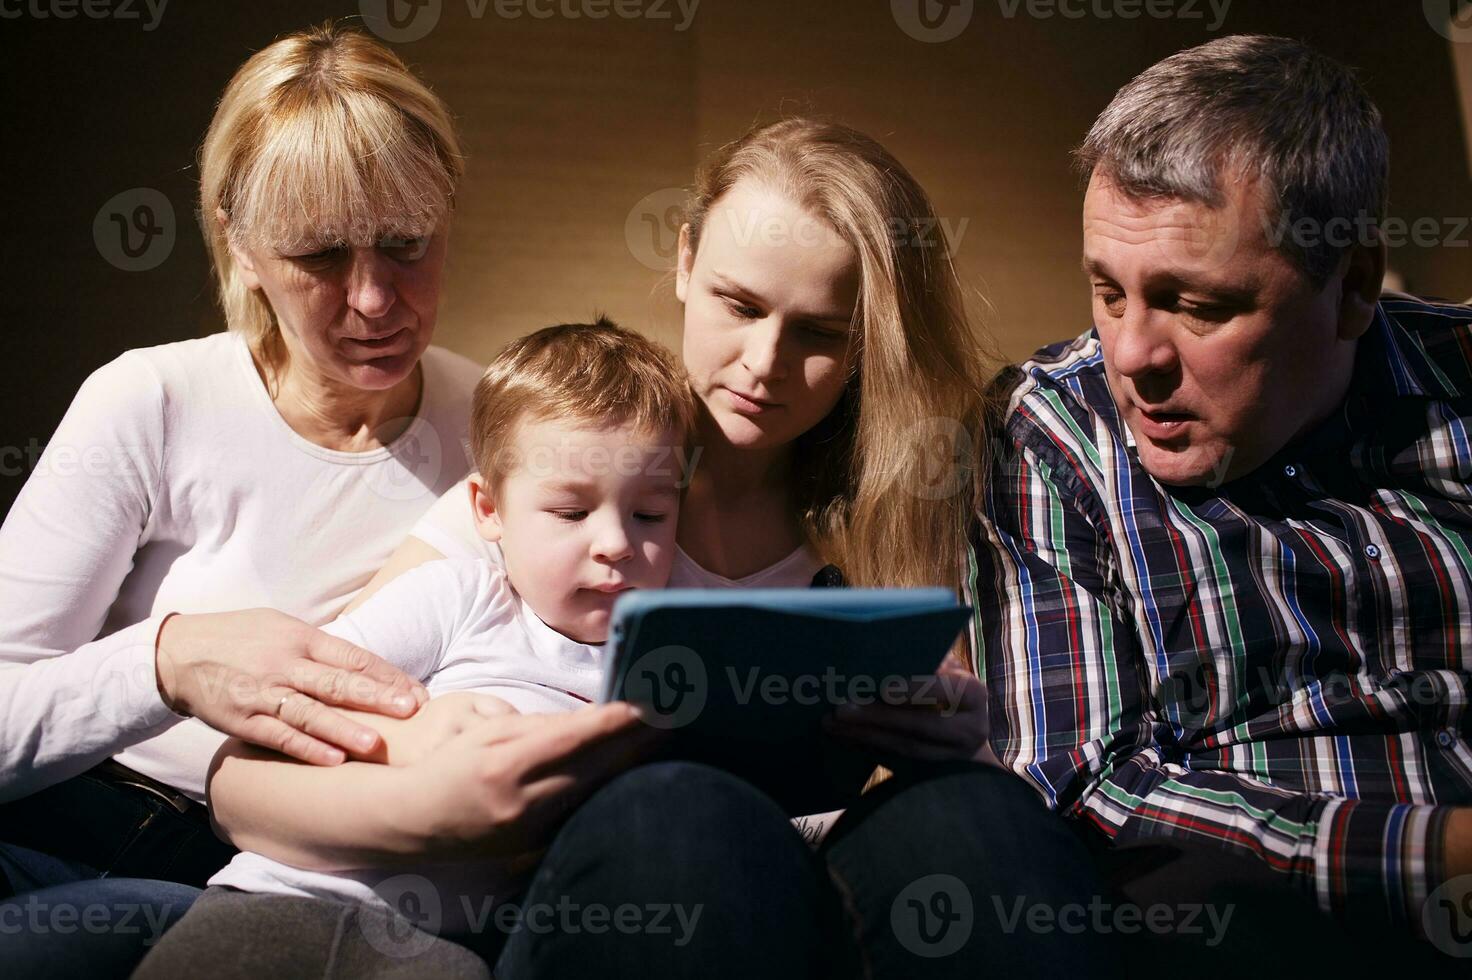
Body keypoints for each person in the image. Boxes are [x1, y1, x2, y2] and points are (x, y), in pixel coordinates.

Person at [202, 118, 1121, 978]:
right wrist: (432, 801)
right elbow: (247, 784)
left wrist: (952, 742)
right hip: (610, 885)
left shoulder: (885, 521)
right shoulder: (565, 474)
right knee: (683, 812)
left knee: (981, 816)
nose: (763, 363)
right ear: (684, 261)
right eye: (737, 303)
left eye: (817, 333)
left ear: (866, 342)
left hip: (796, 883)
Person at [0, 22, 649, 977]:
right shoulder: (154, 400)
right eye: (319, 256)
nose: (376, 299)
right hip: (91, 831)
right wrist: (167, 660)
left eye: (406, 245)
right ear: (240, 242)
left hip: (330, 878)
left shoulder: (511, 434)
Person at [969, 34, 1472, 972]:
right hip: (1257, 924)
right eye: (1107, 292)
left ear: (1354, 283)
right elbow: (1081, 784)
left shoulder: (1460, 379)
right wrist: (1435, 856)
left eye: (1197, 307)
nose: (1131, 355)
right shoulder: (1053, 429)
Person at [134, 318, 693, 977]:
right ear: (488, 510)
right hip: (274, 899)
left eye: (650, 514)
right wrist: (415, 737)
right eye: (571, 512)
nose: (616, 543)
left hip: (445, 949)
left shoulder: (661, 671)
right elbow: (291, 707)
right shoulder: (462, 597)